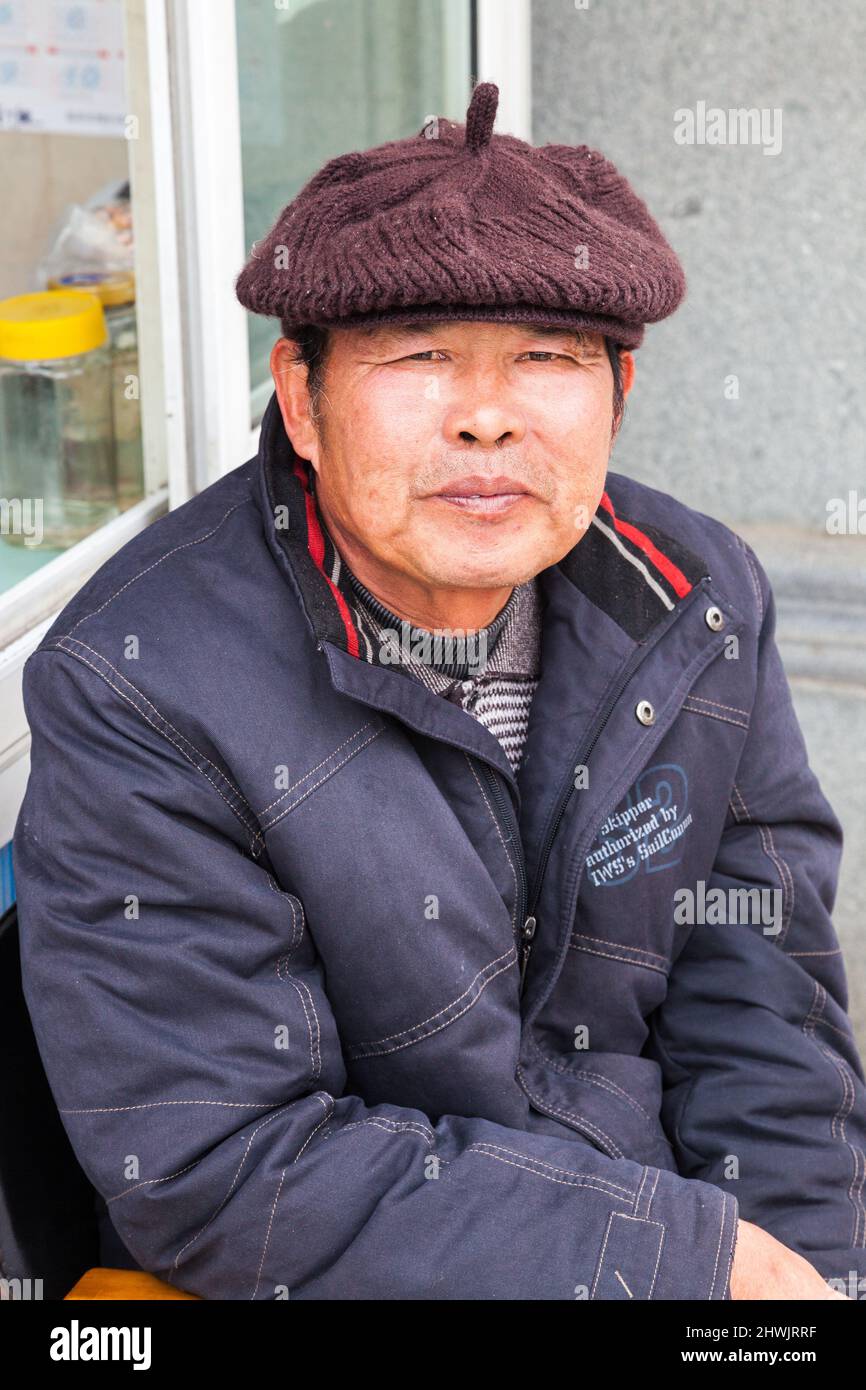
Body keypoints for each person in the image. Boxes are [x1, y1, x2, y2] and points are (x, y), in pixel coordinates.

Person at [13, 83, 863, 1300]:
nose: (483, 419)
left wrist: (812, 1284)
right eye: (417, 359)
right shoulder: (142, 683)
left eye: (544, 360)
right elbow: (223, 1165)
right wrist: (680, 1261)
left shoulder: (690, 596)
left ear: (621, 394)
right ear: (300, 399)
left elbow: (761, 993)